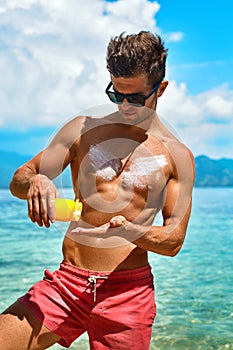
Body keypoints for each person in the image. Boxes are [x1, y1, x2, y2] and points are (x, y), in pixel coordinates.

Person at [0, 31, 195, 350]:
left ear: (161, 89)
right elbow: (19, 180)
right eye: (117, 95)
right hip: (67, 286)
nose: (126, 106)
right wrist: (37, 180)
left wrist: (133, 231)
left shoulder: (176, 156)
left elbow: (173, 240)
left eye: (136, 98)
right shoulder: (82, 130)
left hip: (128, 297)